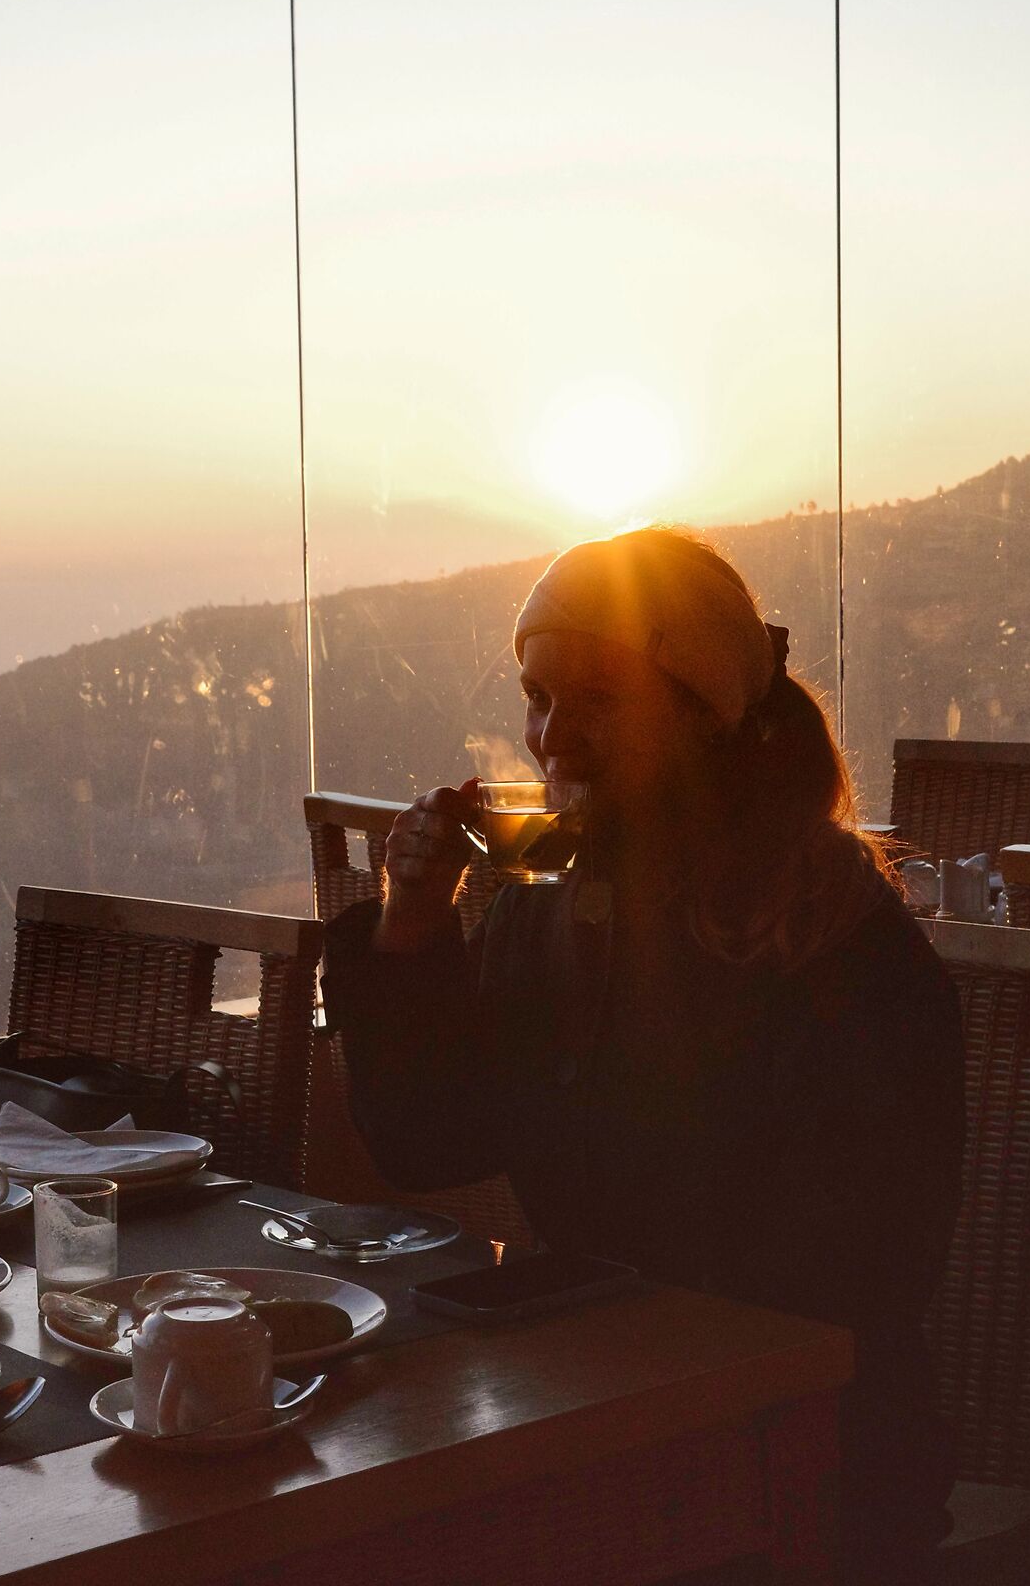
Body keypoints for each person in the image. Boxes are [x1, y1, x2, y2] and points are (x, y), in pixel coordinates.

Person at [321, 526, 963, 1581]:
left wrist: (592, 1358)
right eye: (537, 698)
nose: (552, 736)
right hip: (594, 1415)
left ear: (704, 714)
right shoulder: (554, 903)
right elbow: (428, 1142)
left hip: (798, 1459)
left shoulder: (828, 934)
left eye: (599, 700)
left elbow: (867, 1268)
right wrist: (413, 922)